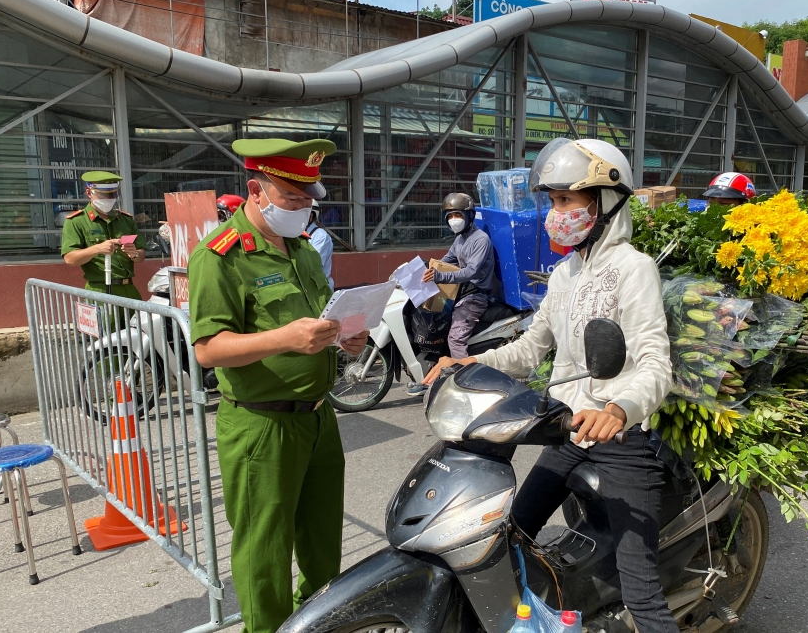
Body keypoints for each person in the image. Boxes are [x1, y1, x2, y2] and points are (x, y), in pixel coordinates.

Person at [424, 138, 677, 633]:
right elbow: (529, 348)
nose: (555, 213)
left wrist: (619, 409)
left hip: (619, 437)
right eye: (553, 202)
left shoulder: (633, 269)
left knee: (641, 591)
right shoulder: (566, 273)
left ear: (604, 202)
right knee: (509, 538)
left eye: (567, 201)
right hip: (567, 429)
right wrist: (468, 359)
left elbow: (654, 361)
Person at [187, 138, 369, 633]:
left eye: (309, 198)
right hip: (260, 425)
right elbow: (207, 348)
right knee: (264, 551)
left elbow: (321, 317)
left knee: (321, 540)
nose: (304, 208)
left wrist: (344, 338)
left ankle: (318, 623)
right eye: (292, 198)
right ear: (256, 190)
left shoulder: (304, 249)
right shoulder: (220, 255)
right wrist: (283, 338)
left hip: (317, 417)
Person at [408, 192, 495, 396]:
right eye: (449, 216)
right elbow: (446, 261)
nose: (453, 220)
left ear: (469, 216)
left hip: (475, 297)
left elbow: (470, 271)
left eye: (457, 215)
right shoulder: (460, 239)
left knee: (455, 339)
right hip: (460, 294)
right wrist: (427, 269)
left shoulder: (480, 240)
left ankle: (466, 384)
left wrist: (439, 275)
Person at [61, 170, 146, 300]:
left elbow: (141, 255)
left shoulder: (125, 220)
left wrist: (134, 253)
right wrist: (98, 249)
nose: (109, 199)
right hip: (99, 291)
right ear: (89, 193)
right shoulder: (77, 221)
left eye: (113, 194)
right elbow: (70, 259)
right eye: (104, 195)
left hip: (128, 290)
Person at [306, 199, 334, 290]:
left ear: (311, 215)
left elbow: (313, 266)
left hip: (319, 289)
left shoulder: (320, 237)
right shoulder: (295, 234)